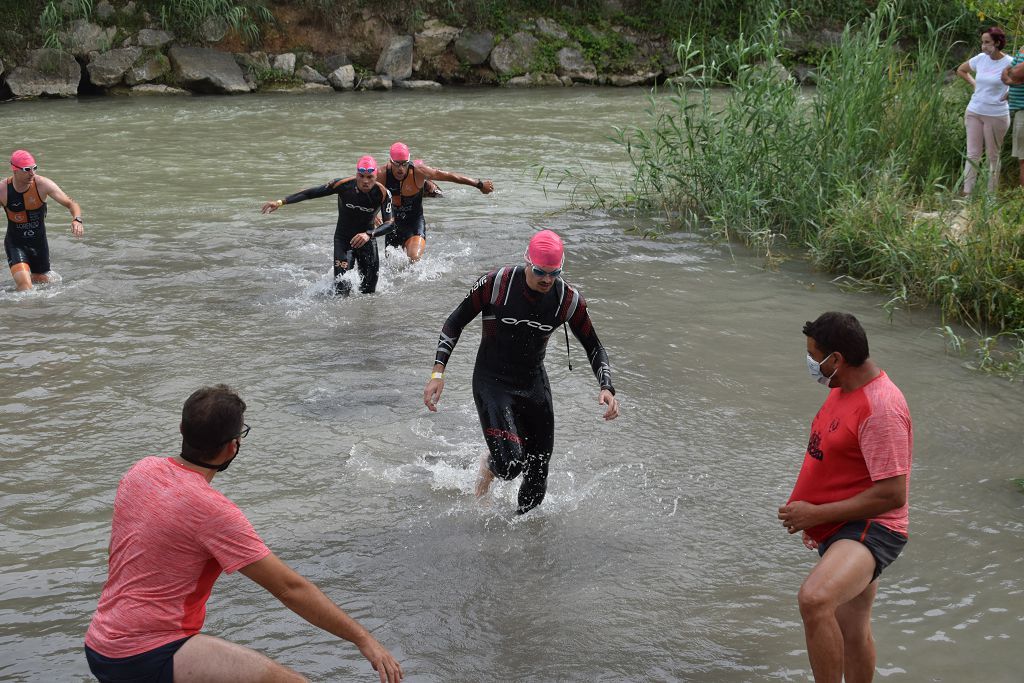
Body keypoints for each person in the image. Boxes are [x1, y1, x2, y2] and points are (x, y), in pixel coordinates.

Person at [84, 385, 403, 683]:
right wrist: (364, 640)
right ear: (232, 447)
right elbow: (290, 588)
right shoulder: (213, 511)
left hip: (100, 642)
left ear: (183, 431)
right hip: (149, 653)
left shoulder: (141, 470)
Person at [422, 230, 619, 515]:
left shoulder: (568, 299)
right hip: (492, 381)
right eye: (540, 272)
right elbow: (454, 322)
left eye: (554, 273)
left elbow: (593, 345)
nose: (547, 280)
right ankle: (487, 466)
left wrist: (606, 387)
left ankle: (522, 542)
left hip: (532, 383)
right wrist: (437, 374)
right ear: (527, 261)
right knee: (510, 464)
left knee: (538, 477)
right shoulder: (496, 284)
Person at [778, 312, 912, 683]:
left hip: (871, 528)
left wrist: (816, 513)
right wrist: (818, 517)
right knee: (852, 629)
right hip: (838, 524)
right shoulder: (843, 389)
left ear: (836, 359)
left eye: (813, 355)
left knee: (815, 599)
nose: (810, 363)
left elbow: (892, 495)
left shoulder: (881, 408)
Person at [261, 155, 395, 295]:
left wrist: (369, 234)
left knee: (369, 292)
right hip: (344, 240)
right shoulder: (343, 185)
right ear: (356, 174)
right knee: (341, 290)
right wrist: (281, 202)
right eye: (361, 176)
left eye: (370, 177)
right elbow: (311, 193)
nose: (365, 181)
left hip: (367, 240)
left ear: (376, 176)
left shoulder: (383, 193)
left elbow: (390, 224)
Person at [377, 142, 493, 262]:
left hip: (414, 224)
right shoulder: (381, 174)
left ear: (409, 161)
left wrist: (479, 184)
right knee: (391, 265)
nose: (401, 168)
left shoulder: (419, 171)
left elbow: (449, 176)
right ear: (390, 161)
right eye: (397, 164)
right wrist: (373, 215)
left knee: (414, 259)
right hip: (393, 228)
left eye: (404, 164)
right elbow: (360, 184)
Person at [2, 149, 83, 291]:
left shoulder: (43, 184)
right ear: (15, 170)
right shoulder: (3, 190)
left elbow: (71, 204)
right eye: (27, 170)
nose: (32, 173)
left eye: (34, 168)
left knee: (44, 283)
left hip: (39, 244)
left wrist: (77, 219)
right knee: (25, 286)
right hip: (16, 244)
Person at [956, 27, 1013, 195]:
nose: (983, 46)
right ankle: (967, 194)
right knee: (972, 154)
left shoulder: (1010, 62)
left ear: (997, 43)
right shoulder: (981, 59)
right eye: (982, 42)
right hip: (974, 110)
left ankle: (990, 197)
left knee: (992, 156)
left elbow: (1019, 81)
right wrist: (975, 84)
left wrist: (1011, 93)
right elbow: (961, 70)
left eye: (987, 42)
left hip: (996, 114)